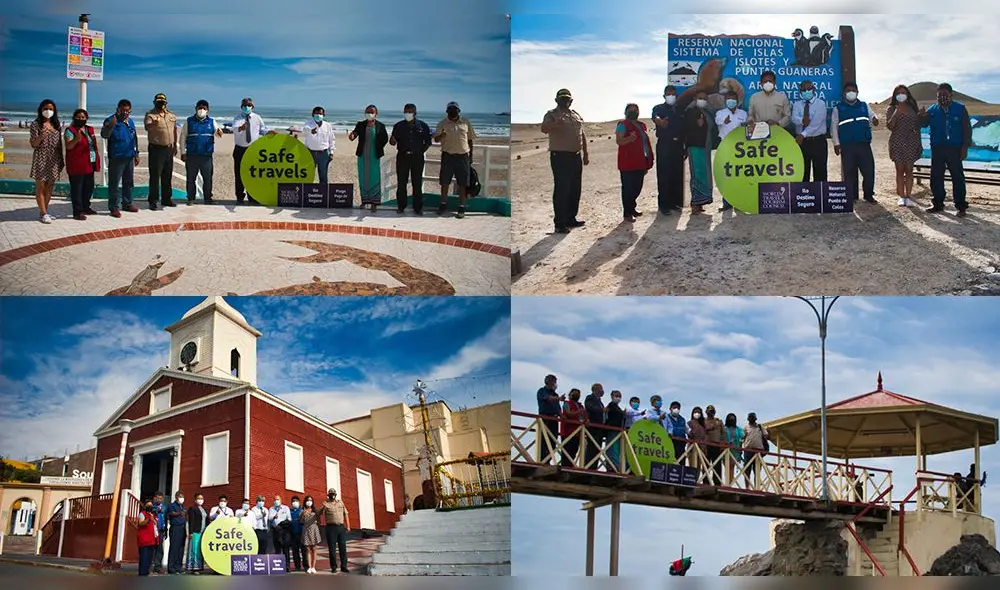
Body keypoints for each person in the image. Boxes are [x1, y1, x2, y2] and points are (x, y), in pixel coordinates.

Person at [919, 83, 973, 216]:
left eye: (945, 95)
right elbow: (924, 124)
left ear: (951, 95)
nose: (942, 97)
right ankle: (938, 203)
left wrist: (964, 147)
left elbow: (967, 129)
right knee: (936, 176)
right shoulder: (933, 109)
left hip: (954, 148)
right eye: (939, 95)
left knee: (957, 176)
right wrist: (921, 116)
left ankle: (961, 206)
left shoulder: (960, 109)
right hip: (937, 148)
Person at [541, 89, 587, 232]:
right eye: (562, 98)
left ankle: (571, 218)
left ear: (571, 101)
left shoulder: (575, 115)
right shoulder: (551, 115)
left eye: (567, 99)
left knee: (575, 189)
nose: (565, 101)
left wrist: (586, 153)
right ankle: (560, 224)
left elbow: (582, 133)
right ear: (556, 100)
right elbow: (544, 129)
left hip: (576, 156)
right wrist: (556, 123)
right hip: (560, 157)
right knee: (562, 189)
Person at [832, 82, 879, 203]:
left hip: (863, 144)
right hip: (847, 145)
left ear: (857, 92)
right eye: (848, 90)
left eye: (853, 90)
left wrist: (875, 119)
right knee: (849, 171)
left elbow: (872, 116)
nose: (851, 92)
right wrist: (836, 144)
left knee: (868, 170)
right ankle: (851, 196)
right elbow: (834, 127)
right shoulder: (838, 108)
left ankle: (868, 195)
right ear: (844, 93)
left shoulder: (864, 105)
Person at [433, 101, 477, 219]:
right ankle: (443, 204)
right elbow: (436, 139)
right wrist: (442, 135)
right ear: (447, 111)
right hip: (448, 156)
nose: (453, 111)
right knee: (444, 181)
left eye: (455, 109)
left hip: (463, 157)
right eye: (450, 109)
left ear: (459, 111)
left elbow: (470, 140)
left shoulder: (466, 122)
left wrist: (471, 156)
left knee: (462, 183)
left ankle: (462, 207)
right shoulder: (442, 123)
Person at [390, 103, 433, 214]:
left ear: (415, 113)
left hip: (417, 158)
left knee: (417, 183)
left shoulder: (423, 126)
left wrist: (420, 152)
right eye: (406, 111)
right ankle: (401, 207)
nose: (407, 113)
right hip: (402, 157)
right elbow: (392, 141)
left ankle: (418, 208)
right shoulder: (398, 126)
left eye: (410, 111)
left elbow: (428, 142)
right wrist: (392, 140)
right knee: (401, 183)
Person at [100, 99, 140, 218]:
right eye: (123, 110)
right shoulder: (111, 120)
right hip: (117, 158)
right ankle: (113, 207)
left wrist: (136, 154)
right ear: (117, 109)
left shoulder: (130, 122)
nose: (125, 112)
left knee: (128, 182)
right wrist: (110, 126)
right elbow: (104, 135)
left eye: (127, 110)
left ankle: (127, 203)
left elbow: (135, 138)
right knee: (114, 184)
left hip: (129, 157)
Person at [179, 99, 223, 205]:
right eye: (200, 108)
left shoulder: (212, 121)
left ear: (207, 110)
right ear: (196, 109)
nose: (202, 110)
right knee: (191, 178)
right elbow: (182, 137)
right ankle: (191, 198)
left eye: (204, 108)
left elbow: (218, 133)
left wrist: (219, 132)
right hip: (192, 155)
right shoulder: (189, 121)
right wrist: (182, 152)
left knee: (207, 179)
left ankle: (208, 198)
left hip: (206, 156)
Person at [233, 97, 276, 205]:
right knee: (239, 174)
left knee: (252, 174)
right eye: (244, 105)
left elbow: (262, 130)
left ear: (252, 107)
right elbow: (234, 129)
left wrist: (269, 132)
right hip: (239, 150)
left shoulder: (257, 118)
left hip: (253, 150)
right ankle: (240, 197)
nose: (246, 107)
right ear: (241, 107)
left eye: (249, 105)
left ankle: (252, 197)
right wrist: (240, 128)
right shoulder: (237, 118)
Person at [615, 103, 654, 222]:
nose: (633, 112)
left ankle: (632, 208)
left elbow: (644, 143)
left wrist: (648, 159)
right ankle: (627, 213)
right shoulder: (622, 125)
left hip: (640, 161)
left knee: (637, 187)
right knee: (628, 188)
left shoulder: (641, 125)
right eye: (631, 110)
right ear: (626, 112)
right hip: (627, 162)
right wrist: (629, 139)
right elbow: (619, 141)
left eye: (635, 110)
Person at [885, 85, 922, 208]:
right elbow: (890, 126)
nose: (901, 94)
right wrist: (896, 113)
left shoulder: (912, 107)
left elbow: (917, 126)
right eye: (899, 93)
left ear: (908, 94)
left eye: (904, 92)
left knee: (909, 170)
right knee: (900, 170)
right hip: (897, 142)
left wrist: (920, 116)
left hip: (911, 142)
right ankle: (901, 197)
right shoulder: (891, 108)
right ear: (895, 95)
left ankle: (909, 196)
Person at [28, 100, 64, 224]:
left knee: (50, 187)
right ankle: (43, 213)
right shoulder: (36, 124)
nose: (48, 111)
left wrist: (61, 161)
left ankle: (44, 211)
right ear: (41, 109)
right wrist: (42, 136)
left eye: (51, 109)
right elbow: (33, 144)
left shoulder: (56, 124)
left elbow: (59, 144)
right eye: (45, 108)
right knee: (41, 186)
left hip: (54, 158)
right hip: (41, 156)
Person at [651, 86, 685, 215]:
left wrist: (685, 147)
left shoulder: (680, 110)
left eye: (673, 94)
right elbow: (655, 117)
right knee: (664, 174)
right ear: (664, 96)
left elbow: (684, 128)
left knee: (677, 174)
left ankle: (675, 203)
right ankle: (664, 205)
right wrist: (659, 121)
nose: (671, 96)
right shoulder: (659, 108)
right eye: (668, 94)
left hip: (678, 145)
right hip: (665, 144)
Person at [348, 105, 389, 212]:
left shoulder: (381, 126)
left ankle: (374, 203)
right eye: (367, 112)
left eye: (371, 112)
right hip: (362, 155)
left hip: (374, 156)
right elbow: (354, 134)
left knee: (374, 178)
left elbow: (385, 139)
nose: (369, 114)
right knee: (363, 178)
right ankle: (365, 201)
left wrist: (378, 147)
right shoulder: (361, 124)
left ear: (376, 113)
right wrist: (352, 135)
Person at [63, 108, 100, 220]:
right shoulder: (70, 130)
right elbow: (68, 146)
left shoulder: (89, 129)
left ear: (86, 118)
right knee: (77, 188)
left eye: (83, 117)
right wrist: (76, 139)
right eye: (78, 117)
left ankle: (86, 207)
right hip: (77, 163)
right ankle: (77, 212)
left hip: (90, 162)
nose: (80, 119)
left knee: (88, 187)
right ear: (74, 118)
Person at [683, 92, 717, 214]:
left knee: (705, 172)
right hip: (695, 146)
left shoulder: (707, 112)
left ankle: (701, 201)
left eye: (705, 98)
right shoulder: (690, 111)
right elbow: (686, 127)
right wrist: (696, 124)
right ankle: (695, 203)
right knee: (697, 172)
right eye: (700, 98)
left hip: (706, 147)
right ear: (694, 99)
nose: (702, 100)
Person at [143, 93, 178, 210]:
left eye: (163, 102)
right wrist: (154, 123)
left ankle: (166, 199)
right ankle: (153, 201)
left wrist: (175, 145)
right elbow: (147, 127)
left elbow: (174, 130)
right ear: (154, 103)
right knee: (155, 176)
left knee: (167, 175)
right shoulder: (150, 115)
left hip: (169, 148)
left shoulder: (171, 115)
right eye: (159, 102)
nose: (161, 104)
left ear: (166, 103)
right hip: (156, 149)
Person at [714, 89, 747, 211]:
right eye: (728, 99)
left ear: (737, 101)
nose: (731, 101)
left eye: (733, 99)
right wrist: (725, 121)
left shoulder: (743, 114)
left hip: (740, 148)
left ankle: (739, 202)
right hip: (725, 146)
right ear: (725, 100)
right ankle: (726, 203)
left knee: (740, 175)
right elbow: (718, 122)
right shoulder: (720, 113)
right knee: (727, 175)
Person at [791, 80, 829, 182]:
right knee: (803, 171)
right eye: (804, 90)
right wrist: (802, 120)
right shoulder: (797, 104)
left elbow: (815, 124)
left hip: (818, 141)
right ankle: (803, 196)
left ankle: (821, 197)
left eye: (809, 89)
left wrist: (803, 134)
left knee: (820, 172)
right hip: (802, 143)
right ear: (800, 92)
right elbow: (794, 118)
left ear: (814, 90)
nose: (806, 91)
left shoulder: (820, 104)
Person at [302, 106, 336, 187]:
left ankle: (323, 195)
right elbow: (304, 132)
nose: (318, 115)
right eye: (316, 113)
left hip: (323, 154)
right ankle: (308, 194)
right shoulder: (308, 124)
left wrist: (331, 152)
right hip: (310, 153)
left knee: (323, 176)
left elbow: (332, 139)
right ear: (312, 114)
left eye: (320, 114)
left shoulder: (328, 125)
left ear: (324, 115)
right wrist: (311, 131)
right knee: (308, 175)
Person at [321, 488, 351, 575]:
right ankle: (333, 567)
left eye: (333, 493)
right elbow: (319, 513)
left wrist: (348, 526)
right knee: (332, 549)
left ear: (336, 494)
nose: (332, 495)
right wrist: (323, 506)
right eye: (330, 493)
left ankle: (344, 566)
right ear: (328, 495)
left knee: (343, 547)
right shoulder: (326, 504)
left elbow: (346, 513)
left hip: (341, 527)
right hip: (331, 528)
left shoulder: (340, 502)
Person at [536, 374, 564, 465]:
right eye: (554, 381)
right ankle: (542, 461)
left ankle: (548, 460)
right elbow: (547, 398)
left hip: (554, 420)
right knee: (544, 440)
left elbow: (558, 409)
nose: (555, 384)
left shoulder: (555, 394)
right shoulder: (542, 391)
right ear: (549, 382)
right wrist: (559, 398)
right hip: (545, 418)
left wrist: (563, 417)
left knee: (553, 441)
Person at [559, 388, 586, 468]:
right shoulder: (566, 403)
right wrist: (578, 412)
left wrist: (586, 419)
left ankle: (570, 466)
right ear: (570, 394)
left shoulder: (580, 405)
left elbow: (584, 416)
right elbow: (568, 413)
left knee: (574, 450)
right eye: (574, 393)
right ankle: (565, 467)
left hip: (577, 432)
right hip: (567, 431)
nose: (576, 395)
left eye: (578, 393)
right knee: (567, 450)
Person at [743, 412, 769, 487]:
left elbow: (766, 436)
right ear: (748, 419)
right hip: (748, 450)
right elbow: (742, 437)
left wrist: (768, 434)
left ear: (755, 419)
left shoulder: (760, 427)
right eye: (750, 418)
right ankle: (747, 487)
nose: (752, 420)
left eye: (753, 418)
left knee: (757, 471)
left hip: (758, 451)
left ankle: (756, 487)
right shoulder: (746, 427)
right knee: (747, 470)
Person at [583, 383, 606, 470]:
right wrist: (601, 410)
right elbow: (589, 407)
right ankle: (588, 467)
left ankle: (594, 467)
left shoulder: (600, 401)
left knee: (597, 448)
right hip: (593, 427)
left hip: (599, 428)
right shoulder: (590, 398)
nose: (602, 391)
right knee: (591, 448)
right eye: (600, 389)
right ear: (595, 390)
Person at [136, 498, 160, 577]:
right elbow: (141, 523)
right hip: (144, 540)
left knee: (149, 558)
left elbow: (156, 525)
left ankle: (146, 572)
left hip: (152, 540)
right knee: (144, 558)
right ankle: (142, 573)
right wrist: (149, 519)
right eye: (148, 505)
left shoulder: (153, 515)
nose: (150, 506)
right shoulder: (142, 514)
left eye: (151, 505)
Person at [268, 494, 292, 572]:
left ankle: (287, 566)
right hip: (275, 530)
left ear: (280, 501)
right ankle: (278, 566)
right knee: (277, 549)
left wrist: (281, 525)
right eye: (275, 500)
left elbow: (289, 519)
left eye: (277, 499)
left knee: (286, 549)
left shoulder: (285, 508)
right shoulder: (271, 509)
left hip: (284, 530)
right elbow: (269, 518)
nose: (276, 501)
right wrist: (274, 518)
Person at [166, 491, 187, 574]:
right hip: (175, 528)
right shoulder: (172, 505)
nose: (182, 498)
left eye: (183, 496)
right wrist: (179, 513)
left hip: (183, 528)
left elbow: (185, 515)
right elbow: (171, 513)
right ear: (176, 497)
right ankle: (171, 568)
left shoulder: (183, 506)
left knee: (181, 549)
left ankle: (178, 567)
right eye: (180, 496)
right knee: (174, 548)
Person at [299, 495, 322, 574]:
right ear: (305, 502)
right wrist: (303, 514)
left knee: (314, 548)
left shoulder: (315, 510)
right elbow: (301, 521)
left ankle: (313, 566)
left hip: (314, 529)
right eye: (307, 500)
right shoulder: (302, 510)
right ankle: (309, 567)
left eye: (311, 500)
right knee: (308, 549)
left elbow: (319, 521)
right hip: (306, 530)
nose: (309, 502)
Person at [186, 493, 208, 574]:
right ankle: (193, 567)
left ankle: (199, 567)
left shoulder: (203, 509)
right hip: (196, 532)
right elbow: (191, 521)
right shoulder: (192, 508)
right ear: (195, 500)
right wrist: (190, 532)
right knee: (194, 549)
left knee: (200, 550)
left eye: (202, 498)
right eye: (199, 498)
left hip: (203, 532)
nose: (200, 500)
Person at [605, 390, 626, 472]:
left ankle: (616, 467)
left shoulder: (617, 407)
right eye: (616, 395)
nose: (618, 397)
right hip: (612, 430)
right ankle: (612, 467)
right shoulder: (611, 406)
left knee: (616, 450)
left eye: (619, 396)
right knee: (612, 449)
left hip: (618, 431)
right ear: (612, 396)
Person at [704, 405, 724, 485]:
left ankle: (717, 483)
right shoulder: (703, 421)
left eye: (712, 411)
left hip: (717, 445)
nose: (711, 413)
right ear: (706, 412)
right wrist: (711, 427)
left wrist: (723, 444)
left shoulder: (719, 421)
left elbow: (723, 433)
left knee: (717, 466)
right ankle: (706, 482)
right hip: (706, 445)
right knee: (706, 465)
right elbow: (702, 431)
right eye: (709, 411)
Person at [723, 413, 744, 486]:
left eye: (733, 418)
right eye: (730, 418)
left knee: (732, 467)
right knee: (727, 467)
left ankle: (730, 483)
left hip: (735, 451)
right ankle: (727, 483)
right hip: (725, 450)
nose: (732, 419)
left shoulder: (738, 429)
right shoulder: (724, 428)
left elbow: (743, 436)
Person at [665, 400, 688, 465]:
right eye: (674, 408)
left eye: (678, 408)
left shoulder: (682, 419)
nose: (676, 409)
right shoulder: (666, 418)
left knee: (681, 462)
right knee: (670, 462)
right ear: (670, 409)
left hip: (681, 444)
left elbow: (688, 430)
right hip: (670, 443)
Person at [288, 495, 305, 572]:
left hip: (301, 533)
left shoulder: (302, 510)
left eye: (296, 501)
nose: (294, 502)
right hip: (293, 534)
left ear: (299, 502)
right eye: (293, 501)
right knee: (295, 551)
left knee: (304, 550)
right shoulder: (290, 511)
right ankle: (297, 566)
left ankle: (306, 565)